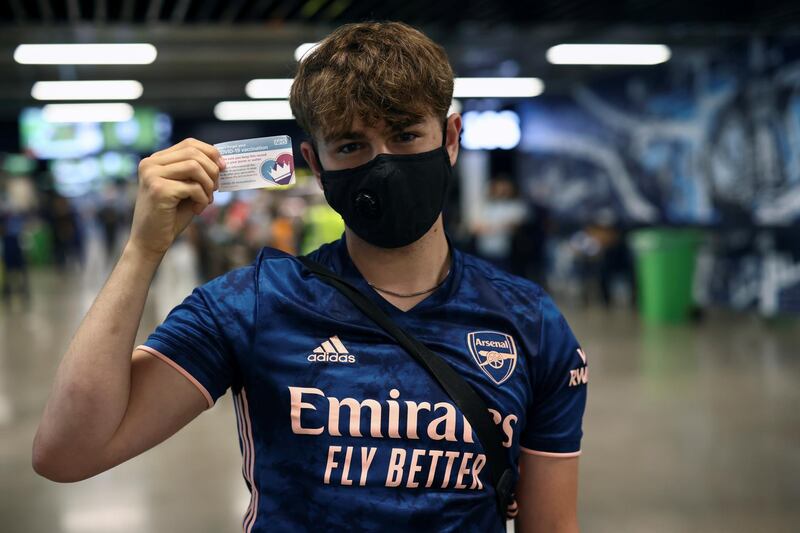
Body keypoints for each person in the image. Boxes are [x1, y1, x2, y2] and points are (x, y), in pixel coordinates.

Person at [32, 22, 587, 533]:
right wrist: (141, 250)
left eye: (405, 135)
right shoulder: (253, 304)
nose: (383, 162)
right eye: (351, 145)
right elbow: (69, 451)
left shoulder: (530, 323)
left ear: (449, 137)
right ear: (314, 163)